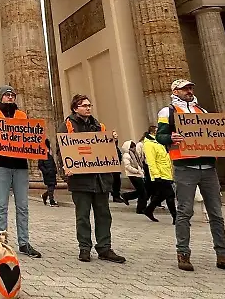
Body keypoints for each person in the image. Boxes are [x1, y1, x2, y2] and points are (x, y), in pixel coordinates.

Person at [158, 79, 225, 274]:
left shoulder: (203, 112)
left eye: (191, 88)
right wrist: (170, 137)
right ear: (175, 91)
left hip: (208, 167)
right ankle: (183, 253)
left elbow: (217, 133)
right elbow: (160, 136)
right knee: (185, 211)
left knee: (216, 213)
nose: (189, 91)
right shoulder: (168, 112)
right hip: (185, 167)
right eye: (185, 89)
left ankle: (223, 255)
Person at [56, 94, 125, 263]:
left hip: (101, 179)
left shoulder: (99, 127)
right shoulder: (67, 126)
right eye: (84, 105)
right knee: (83, 216)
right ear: (75, 108)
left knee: (103, 215)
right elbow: (62, 151)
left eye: (89, 105)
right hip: (80, 180)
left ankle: (104, 247)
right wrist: (65, 170)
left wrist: (113, 143)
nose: (88, 108)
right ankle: (84, 248)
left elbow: (112, 154)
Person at [0, 85, 41, 258]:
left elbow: (30, 137)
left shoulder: (22, 115)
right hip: (1, 164)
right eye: (7, 95)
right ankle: (1, 241)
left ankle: (24, 242)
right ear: (1, 97)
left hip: (20, 164)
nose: (10, 97)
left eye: (12, 95)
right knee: (2, 205)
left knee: (23, 206)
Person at [141, 130, 176, 223]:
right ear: (152, 133)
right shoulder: (148, 144)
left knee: (161, 195)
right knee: (170, 195)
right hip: (160, 174)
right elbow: (151, 161)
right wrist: (156, 175)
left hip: (166, 173)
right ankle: (175, 217)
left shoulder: (158, 142)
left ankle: (149, 210)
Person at [119, 140, 147, 213]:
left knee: (141, 191)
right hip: (133, 175)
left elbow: (138, 163)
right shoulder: (127, 155)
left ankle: (127, 196)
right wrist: (137, 171)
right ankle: (140, 208)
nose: (134, 149)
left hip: (138, 174)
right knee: (142, 192)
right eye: (133, 147)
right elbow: (128, 166)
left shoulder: (134, 154)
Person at [38, 139, 59, 207]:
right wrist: (46, 171)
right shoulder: (41, 157)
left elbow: (53, 164)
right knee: (51, 187)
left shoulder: (50, 156)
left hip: (52, 173)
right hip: (47, 174)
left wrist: (55, 170)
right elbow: (40, 166)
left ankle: (44, 195)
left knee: (51, 187)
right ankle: (51, 201)